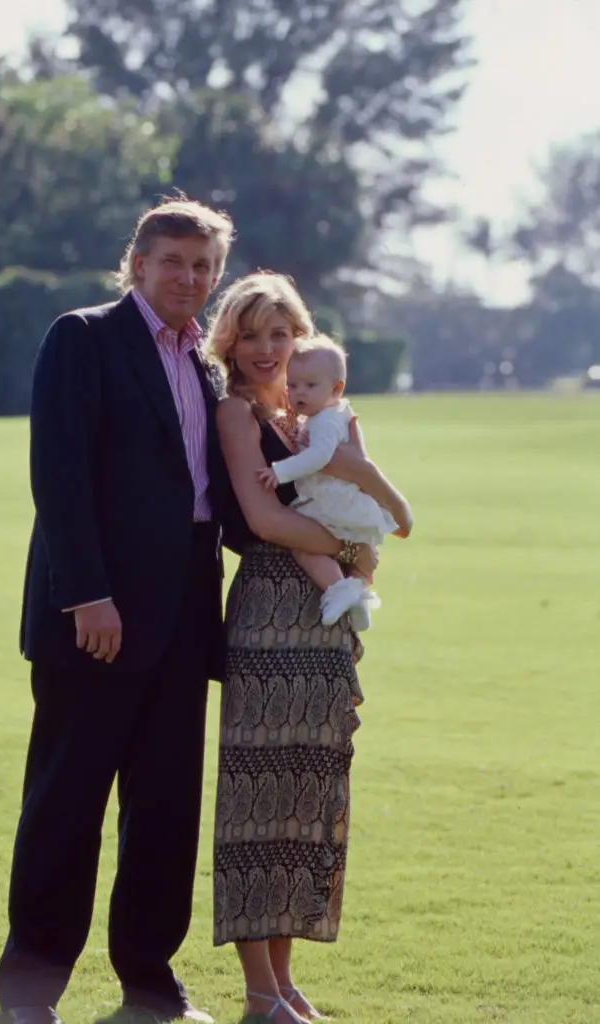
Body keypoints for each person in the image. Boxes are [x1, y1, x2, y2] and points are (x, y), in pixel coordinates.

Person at [0, 196, 238, 1024]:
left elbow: (217, 493)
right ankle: (29, 992)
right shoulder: (84, 337)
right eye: (173, 261)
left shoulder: (207, 361)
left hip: (185, 618)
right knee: (65, 808)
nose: (189, 277)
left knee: (165, 810)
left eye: (203, 266)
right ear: (137, 264)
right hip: (94, 618)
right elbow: (58, 476)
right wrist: (87, 596)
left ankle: (150, 983)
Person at [205, 272, 413, 1024]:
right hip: (269, 610)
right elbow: (265, 520)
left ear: (302, 339)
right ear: (229, 342)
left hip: (322, 615)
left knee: (303, 798)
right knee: (256, 802)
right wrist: (353, 549)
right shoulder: (236, 413)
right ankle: (259, 991)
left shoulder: (309, 412)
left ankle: (285, 983)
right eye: (251, 335)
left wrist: (363, 532)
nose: (267, 350)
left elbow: (360, 490)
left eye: (280, 334)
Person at [256, 332, 400, 630]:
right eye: (293, 385)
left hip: (330, 500)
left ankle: (338, 588)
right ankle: (356, 594)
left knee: (303, 546)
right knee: (357, 557)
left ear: (336, 388)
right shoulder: (328, 415)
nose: (299, 393)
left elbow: (319, 456)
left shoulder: (326, 421)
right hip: (340, 499)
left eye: (310, 386)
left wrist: (280, 471)